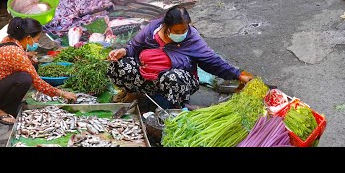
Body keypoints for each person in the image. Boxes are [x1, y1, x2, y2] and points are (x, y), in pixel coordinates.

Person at [107, 6, 254, 109]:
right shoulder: (152, 30)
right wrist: (124, 51)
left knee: (172, 77)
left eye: (185, 29)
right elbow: (134, 47)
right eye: (177, 30)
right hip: (148, 77)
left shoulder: (192, 39)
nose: (182, 33)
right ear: (166, 26)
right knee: (120, 64)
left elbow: (213, 61)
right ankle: (134, 94)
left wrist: (238, 75)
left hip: (177, 81)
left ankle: (172, 107)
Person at [0, 17, 77, 124]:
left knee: (30, 66)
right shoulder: (15, 52)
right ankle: (2, 111)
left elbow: (8, 59)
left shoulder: (10, 39)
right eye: (37, 39)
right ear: (28, 38)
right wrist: (62, 93)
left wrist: (26, 55)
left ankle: (8, 103)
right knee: (25, 78)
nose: (37, 42)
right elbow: (38, 83)